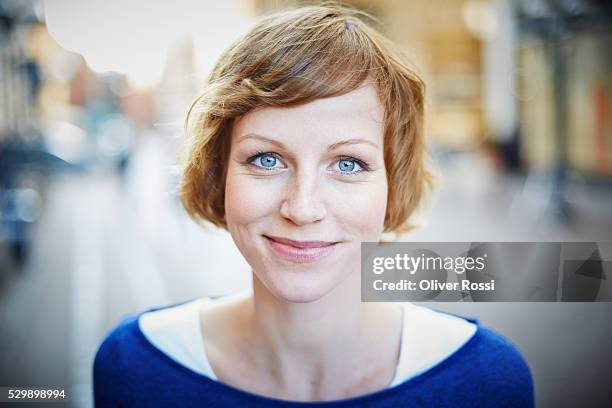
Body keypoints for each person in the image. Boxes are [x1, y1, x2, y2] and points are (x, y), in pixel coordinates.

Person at [93, 4, 534, 407]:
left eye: (348, 163)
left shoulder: (485, 381)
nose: (302, 209)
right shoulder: (134, 367)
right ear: (217, 173)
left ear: (393, 184)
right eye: (266, 160)